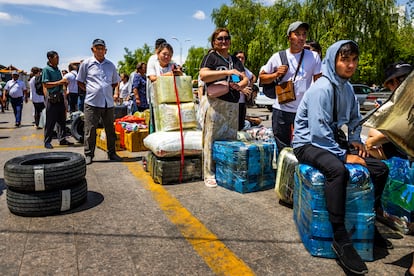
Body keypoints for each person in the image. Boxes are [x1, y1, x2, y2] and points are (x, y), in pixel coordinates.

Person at [292, 40, 391, 275]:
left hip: (331, 141)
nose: (351, 65)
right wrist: (344, 155)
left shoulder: (347, 88)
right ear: (333, 60)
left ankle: (369, 221)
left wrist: (355, 138)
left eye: (354, 60)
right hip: (308, 143)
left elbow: (356, 119)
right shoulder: (322, 88)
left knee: (379, 168)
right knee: (337, 169)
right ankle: (339, 236)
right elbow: (318, 132)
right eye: (345, 59)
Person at [259, 21, 322, 152]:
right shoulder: (278, 57)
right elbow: (262, 78)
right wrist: (276, 74)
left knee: (304, 145)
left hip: (304, 110)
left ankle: (298, 170)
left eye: (304, 34)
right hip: (281, 109)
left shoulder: (313, 56)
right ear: (289, 37)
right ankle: (284, 170)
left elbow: (319, 83)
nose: (301, 38)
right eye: (297, 34)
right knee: (282, 146)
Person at [199, 27, 249, 188]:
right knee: (211, 139)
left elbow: (246, 79)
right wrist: (228, 72)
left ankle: (226, 171)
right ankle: (209, 173)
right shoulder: (211, 57)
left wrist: (239, 85)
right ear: (214, 42)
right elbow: (203, 75)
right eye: (220, 39)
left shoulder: (235, 60)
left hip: (233, 104)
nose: (224, 41)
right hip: (215, 104)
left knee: (230, 138)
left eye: (226, 38)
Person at [76, 38, 122, 165]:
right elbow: (80, 81)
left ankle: (111, 153)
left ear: (106, 51)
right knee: (90, 129)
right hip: (92, 102)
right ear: (93, 50)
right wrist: (92, 90)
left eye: (102, 48)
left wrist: (105, 90)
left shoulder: (111, 65)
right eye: (98, 48)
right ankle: (89, 154)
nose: (100, 50)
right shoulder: (86, 64)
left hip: (108, 103)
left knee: (110, 130)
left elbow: (114, 82)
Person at [365, 61, 413, 160]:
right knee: (372, 134)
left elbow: (403, 133)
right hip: (400, 148)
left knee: (370, 142)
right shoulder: (404, 100)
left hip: (406, 151)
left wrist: (372, 141)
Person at [42, 51, 73, 148]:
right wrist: (60, 82)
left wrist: (64, 85)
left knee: (62, 120)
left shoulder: (57, 70)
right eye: (56, 57)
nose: (58, 59)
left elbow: (61, 84)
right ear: (50, 58)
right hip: (52, 98)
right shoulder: (46, 70)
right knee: (50, 121)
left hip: (59, 97)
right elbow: (46, 84)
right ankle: (47, 141)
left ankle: (62, 139)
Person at [234, 50, 256, 130]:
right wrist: (242, 89)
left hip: (243, 102)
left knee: (241, 125)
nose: (240, 60)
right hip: (234, 102)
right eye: (238, 57)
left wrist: (250, 85)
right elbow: (235, 82)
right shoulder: (234, 69)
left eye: (242, 58)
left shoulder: (245, 70)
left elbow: (253, 76)